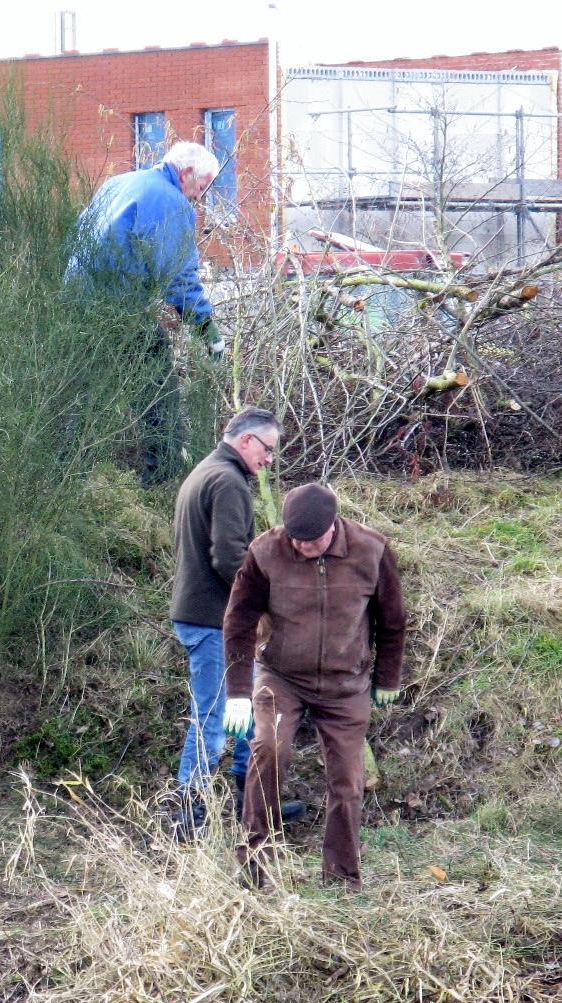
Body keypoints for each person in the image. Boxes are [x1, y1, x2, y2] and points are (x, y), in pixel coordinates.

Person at [222, 485, 407, 890]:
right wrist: (237, 692)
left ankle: (342, 879)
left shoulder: (371, 550)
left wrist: (387, 677)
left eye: (314, 540)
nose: (304, 547)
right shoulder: (265, 552)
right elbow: (238, 623)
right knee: (269, 751)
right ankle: (254, 868)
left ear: (334, 526)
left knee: (347, 781)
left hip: (346, 684)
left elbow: (392, 619)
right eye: (297, 540)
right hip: (281, 677)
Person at [169, 407, 303, 839]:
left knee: (241, 709)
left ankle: (255, 801)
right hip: (213, 622)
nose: (269, 460)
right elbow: (229, 558)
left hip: (209, 618)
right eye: (267, 449)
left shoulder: (206, 472)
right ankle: (188, 819)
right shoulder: (227, 482)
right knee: (211, 718)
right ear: (246, 441)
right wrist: (260, 606)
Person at [67, 141, 226, 479]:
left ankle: (63, 480)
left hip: (75, 300)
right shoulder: (172, 203)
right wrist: (205, 329)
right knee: (157, 394)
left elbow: (79, 236)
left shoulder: (119, 183)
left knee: (78, 395)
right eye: (201, 186)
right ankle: (162, 479)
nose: (200, 196)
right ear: (185, 174)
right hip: (119, 307)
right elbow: (179, 278)